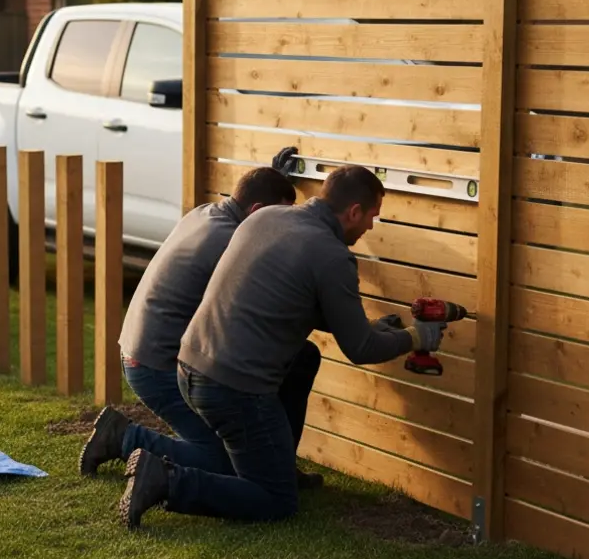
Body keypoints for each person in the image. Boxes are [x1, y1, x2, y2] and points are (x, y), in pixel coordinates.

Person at [115, 164, 448, 529]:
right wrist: (417, 337)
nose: (371, 226)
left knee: (304, 358)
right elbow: (361, 349)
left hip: (189, 366)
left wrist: (371, 328)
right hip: (234, 389)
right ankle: (166, 481)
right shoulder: (332, 255)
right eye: (372, 216)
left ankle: (272, 466)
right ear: (354, 212)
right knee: (275, 500)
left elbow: (287, 298)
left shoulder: (265, 217)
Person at [81, 166, 325, 488]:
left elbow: (254, 196)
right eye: (280, 215)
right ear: (257, 212)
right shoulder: (231, 243)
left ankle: (279, 466)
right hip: (158, 367)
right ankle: (124, 438)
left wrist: (274, 174)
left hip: (143, 351)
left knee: (300, 357)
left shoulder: (207, 213)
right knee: (226, 462)